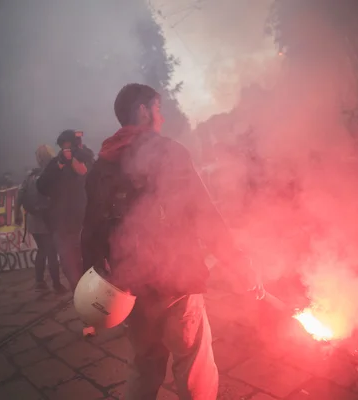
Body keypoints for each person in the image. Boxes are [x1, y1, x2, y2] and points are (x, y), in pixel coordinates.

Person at [81, 83, 265, 399]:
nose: (162, 118)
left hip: (129, 290)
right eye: (158, 108)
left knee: (144, 365)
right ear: (142, 110)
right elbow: (206, 216)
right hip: (175, 283)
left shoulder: (101, 167)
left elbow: (92, 233)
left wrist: (100, 288)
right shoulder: (170, 152)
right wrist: (240, 267)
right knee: (193, 365)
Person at [37, 129, 95, 290]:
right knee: (70, 265)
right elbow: (41, 186)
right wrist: (58, 166)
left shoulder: (87, 159)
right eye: (63, 147)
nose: (66, 150)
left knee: (90, 262)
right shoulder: (57, 163)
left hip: (85, 221)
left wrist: (84, 160)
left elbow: (97, 182)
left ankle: (92, 294)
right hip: (62, 224)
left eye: (69, 147)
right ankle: (80, 294)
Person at [15, 145, 66, 294]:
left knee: (42, 250)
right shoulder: (51, 173)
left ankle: (39, 281)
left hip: (32, 219)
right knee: (51, 251)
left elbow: (20, 195)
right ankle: (56, 284)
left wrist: (16, 214)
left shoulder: (30, 175)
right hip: (47, 218)